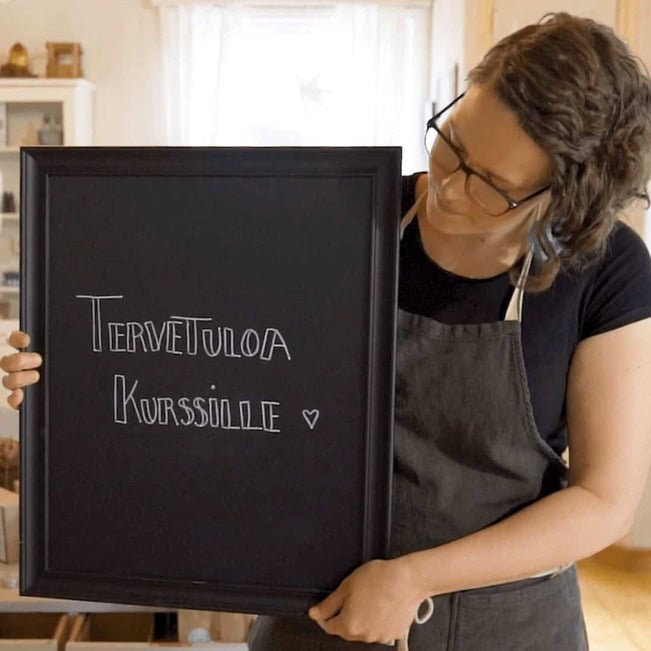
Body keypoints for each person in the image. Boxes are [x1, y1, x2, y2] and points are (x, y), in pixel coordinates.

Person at [3, 11, 651, 651]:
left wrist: (414, 577)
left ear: (562, 199)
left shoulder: (607, 271)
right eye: (452, 143)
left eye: (491, 185)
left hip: (505, 624)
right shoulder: (339, 218)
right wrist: (73, 366)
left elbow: (603, 499)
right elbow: (205, 361)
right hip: (314, 611)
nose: (449, 188)